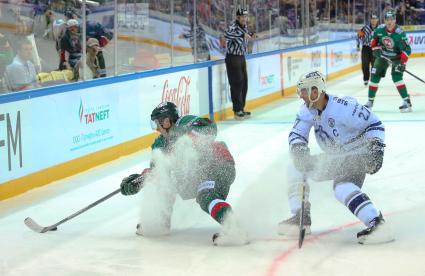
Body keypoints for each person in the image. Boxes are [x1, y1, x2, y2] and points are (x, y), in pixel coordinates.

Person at [277, 70, 393, 244]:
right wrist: (299, 149)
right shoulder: (306, 110)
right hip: (336, 158)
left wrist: (376, 149)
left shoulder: (343, 107)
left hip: (357, 155)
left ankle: (377, 223)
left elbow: (374, 124)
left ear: (315, 91)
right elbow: (297, 134)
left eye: (304, 90)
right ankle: (301, 218)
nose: (301, 95)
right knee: (294, 167)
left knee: (342, 187)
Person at [119, 102, 248, 246]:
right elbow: (158, 171)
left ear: (167, 121)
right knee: (165, 182)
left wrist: (186, 140)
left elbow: (210, 127)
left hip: (217, 165)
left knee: (207, 196)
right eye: (154, 124)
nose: (157, 128)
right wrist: (140, 180)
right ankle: (161, 223)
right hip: (197, 175)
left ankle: (235, 228)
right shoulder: (160, 144)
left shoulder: (184, 123)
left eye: (158, 123)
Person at [365, 10, 412, 112]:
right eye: (387, 20)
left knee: (397, 77)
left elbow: (407, 49)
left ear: (395, 20)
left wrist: (402, 63)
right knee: (374, 75)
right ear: (384, 21)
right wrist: (375, 49)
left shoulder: (400, 34)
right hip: (383, 56)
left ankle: (406, 101)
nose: (389, 22)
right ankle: (370, 102)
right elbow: (373, 42)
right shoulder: (379, 30)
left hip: (397, 58)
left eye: (391, 19)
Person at [223, 8, 254, 120]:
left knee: (244, 83)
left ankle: (241, 108)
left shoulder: (244, 27)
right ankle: (237, 110)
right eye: (242, 17)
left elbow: (245, 37)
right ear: (237, 17)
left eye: (246, 16)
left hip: (241, 57)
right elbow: (226, 35)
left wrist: (250, 35)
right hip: (232, 58)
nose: (245, 19)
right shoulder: (233, 27)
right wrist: (241, 36)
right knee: (237, 83)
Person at [356, 14, 379, 86]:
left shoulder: (380, 29)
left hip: (375, 48)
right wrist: (357, 45)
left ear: (377, 20)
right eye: (372, 19)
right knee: (365, 64)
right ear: (370, 20)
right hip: (366, 48)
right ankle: (366, 79)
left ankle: (373, 79)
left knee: (374, 65)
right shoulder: (365, 28)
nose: (373, 21)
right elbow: (359, 35)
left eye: (375, 19)